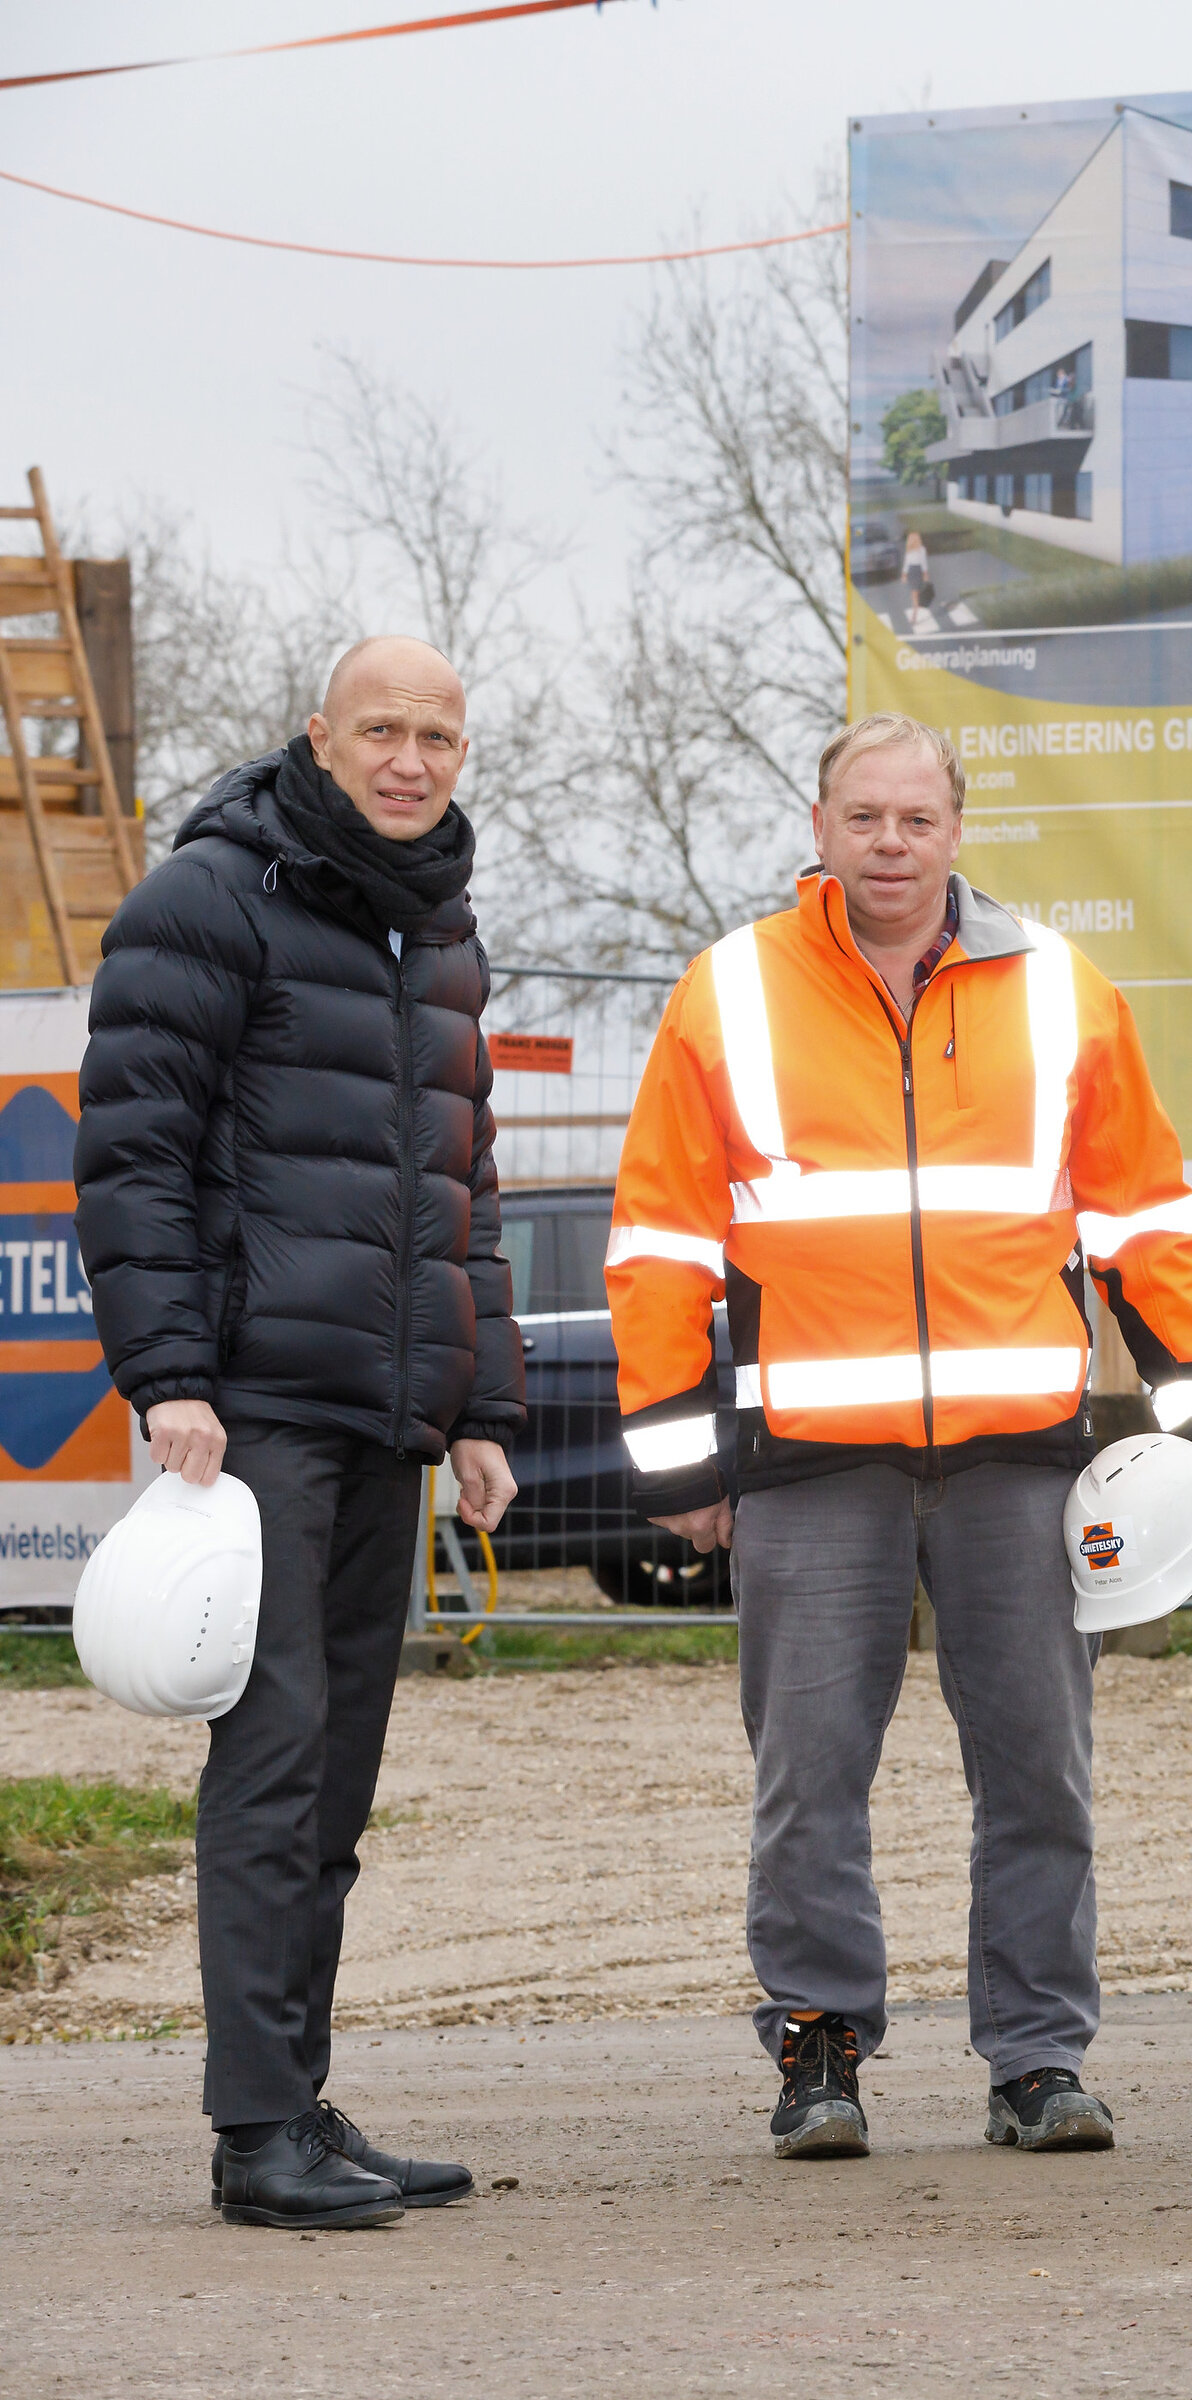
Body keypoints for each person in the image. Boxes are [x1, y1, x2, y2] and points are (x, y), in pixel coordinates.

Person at [605, 711, 1192, 2163]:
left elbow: (1145, 1217)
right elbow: (658, 1242)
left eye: (916, 819)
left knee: (1038, 1767)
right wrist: (678, 1457)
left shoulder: (1059, 987)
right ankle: (819, 2049)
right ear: (821, 828)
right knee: (809, 1773)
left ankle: (1036, 2058)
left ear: (956, 830)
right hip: (808, 1458)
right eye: (864, 818)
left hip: (1017, 1451)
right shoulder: (730, 990)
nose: (890, 845)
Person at [77, 635, 521, 2231]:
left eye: (441, 736)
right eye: (384, 730)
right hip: (254, 1407)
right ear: (318, 737)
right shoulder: (212, 896)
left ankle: (297, 2101)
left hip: (385, 1414)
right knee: (270, 1767)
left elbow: (462, 1189)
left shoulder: (441, 929)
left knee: (333, 1777)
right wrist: (169, 1375)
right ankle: (254, 2132)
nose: (413, 759)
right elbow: (130, 1153)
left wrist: (480, 1399)